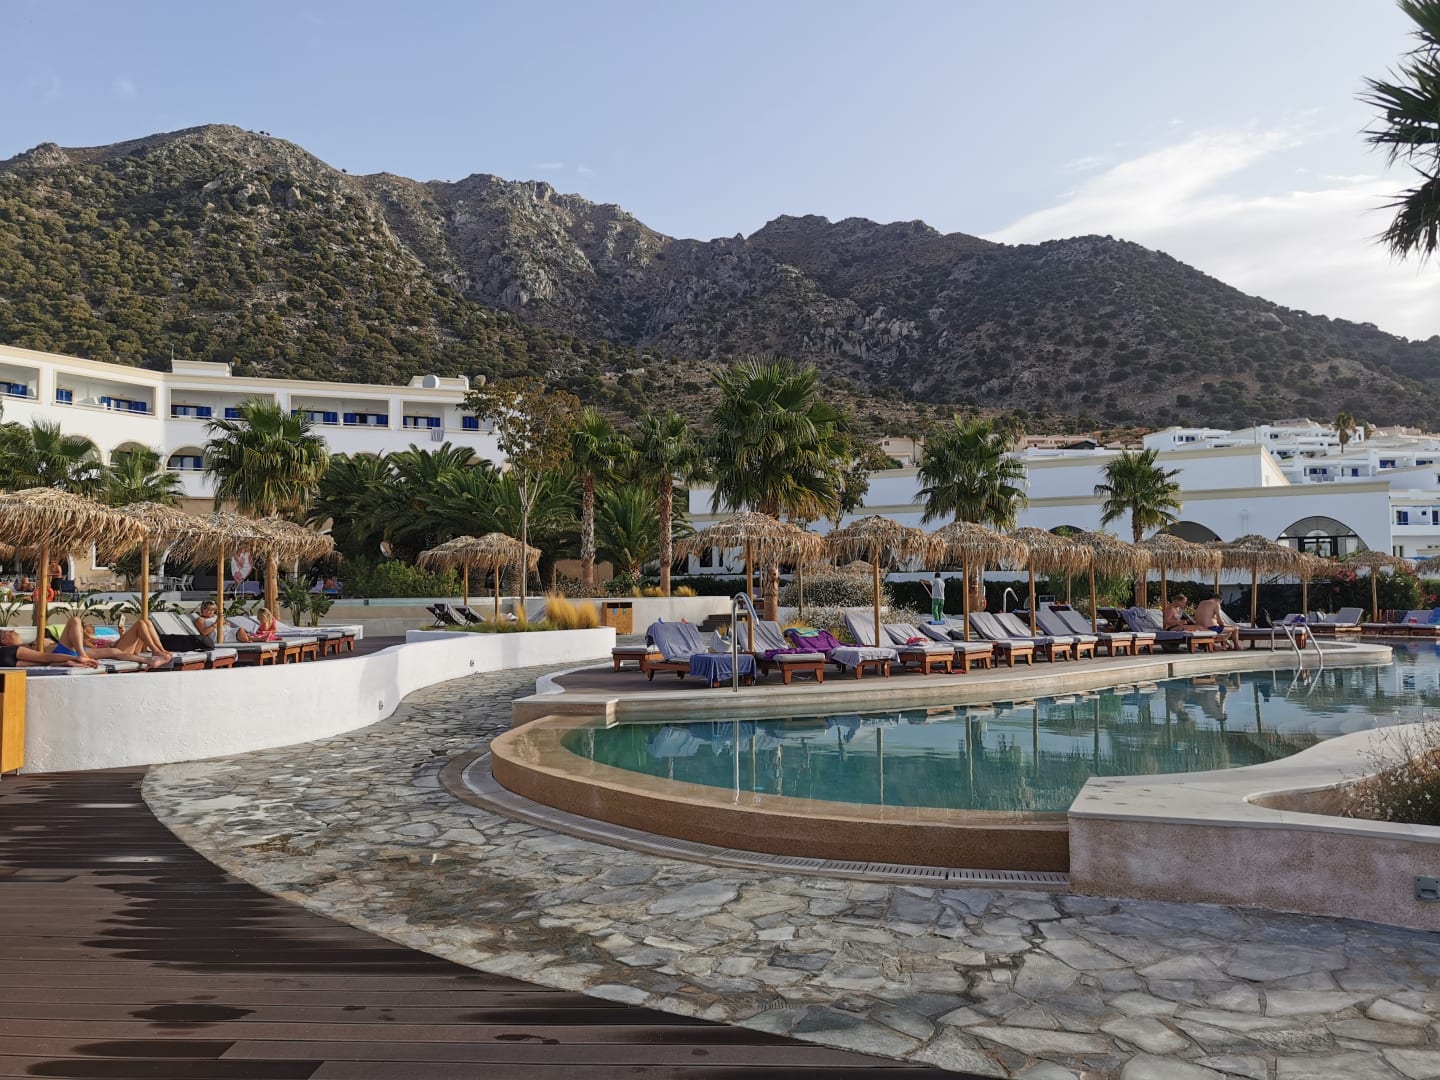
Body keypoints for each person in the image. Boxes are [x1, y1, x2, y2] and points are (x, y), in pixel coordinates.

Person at [49, 615, 175, 670]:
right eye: (85, 629)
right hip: (74, 652)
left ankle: (152, 657)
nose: (86, 631)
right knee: (75, 620)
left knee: (116, 651)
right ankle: (155, 652)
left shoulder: (82, 643)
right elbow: (44, 660)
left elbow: (115, 650)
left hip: (79, 653)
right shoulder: (83, 642)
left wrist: (121, 637)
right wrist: (67, 662)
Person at [0, 628, 97, 669]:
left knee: (40, 663)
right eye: (9, 632)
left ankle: (67, 663)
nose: (13, 630)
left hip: (5, 663)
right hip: (6, 654)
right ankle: (75, 659)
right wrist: (76, 657)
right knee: (43, 659)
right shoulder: (11, 649)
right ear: (4, 640)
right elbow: (45, 657)